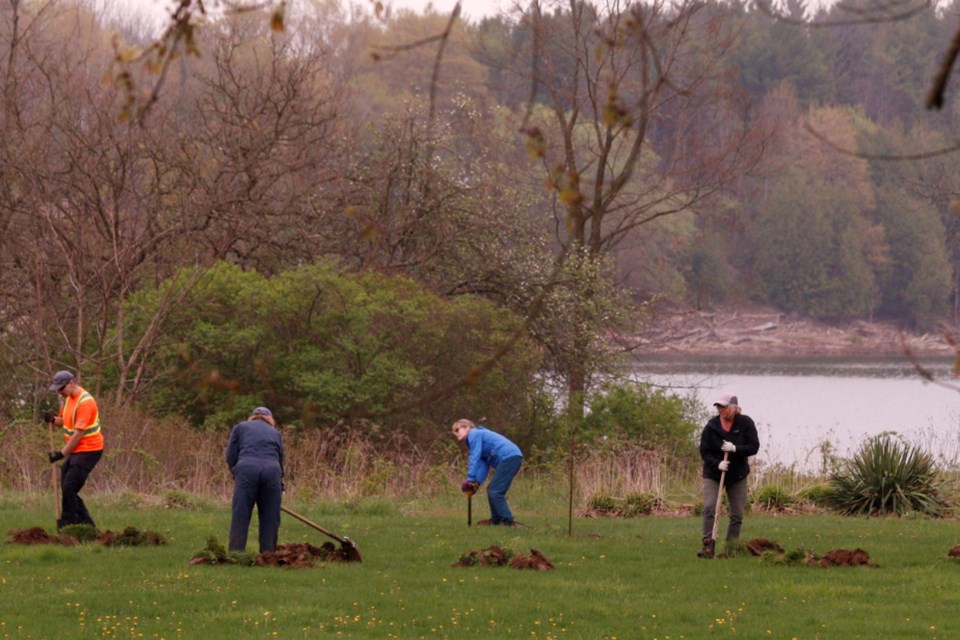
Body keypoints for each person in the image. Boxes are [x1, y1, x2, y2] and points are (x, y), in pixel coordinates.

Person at [697, 392, 759, 558]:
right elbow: (704, 451)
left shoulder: (745, 423)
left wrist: (735, 449)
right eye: (718, 406)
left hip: (737, 475)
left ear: (734, 408)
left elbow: (754, 446)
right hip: (714, 473)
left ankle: (730, 549)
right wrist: (717, 463)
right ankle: (708, 545)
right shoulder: (712, 426)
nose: (720, 409)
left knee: (737, 514)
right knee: (710, 506)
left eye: (724, 407)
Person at [47, 370, 104, 530]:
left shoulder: (85, 402)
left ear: (72, 383)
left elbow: (78, 434)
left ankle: (68, 525)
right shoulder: (69, 399)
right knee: (67, 487)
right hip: (77, 450)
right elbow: (64, 421)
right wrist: (53, 420)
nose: (59, 392)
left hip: (90, 450)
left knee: (69, 487)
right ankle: (88, 527)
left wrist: (61, 453)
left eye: (61, 388)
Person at [225, 407, 284, 553]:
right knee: (270, 516)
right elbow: (280, 458)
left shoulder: (240, 427)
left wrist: (236, 471)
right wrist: (279, 481)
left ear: (253, 417)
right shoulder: (276, 433)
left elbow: (230, 454)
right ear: (270, 419)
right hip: (272, 471)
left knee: (241, 513)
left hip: (247, 469)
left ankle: (236, 552)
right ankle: (268, 554)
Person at [452, 419, 523, 526]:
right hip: (511, 458)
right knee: (492, 490)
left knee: (495, 491)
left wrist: (470, 479)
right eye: (454, 432)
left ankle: (508, 522)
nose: (456, 433)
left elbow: (474, 457)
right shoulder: (478, 438)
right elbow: (483, 466)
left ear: (467, 427)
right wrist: (476, 483)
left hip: (509, 457)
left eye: (458, 429)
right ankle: (496, 521)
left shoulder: (474, 434)